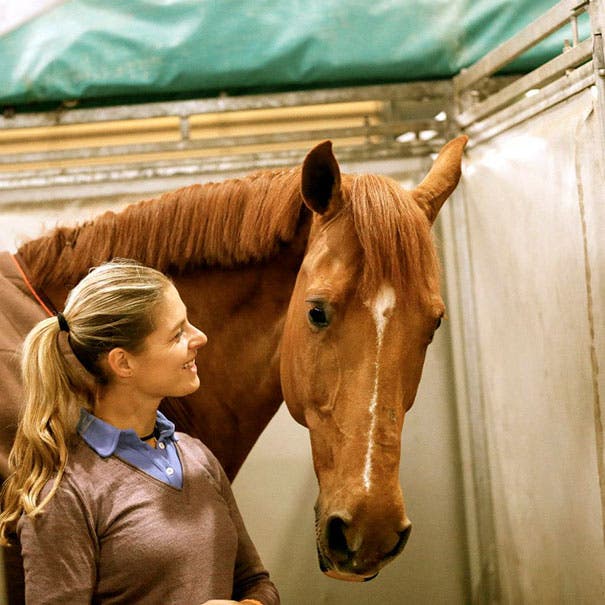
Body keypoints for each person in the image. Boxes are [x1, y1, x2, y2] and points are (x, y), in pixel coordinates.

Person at [0, 259, 279, 605]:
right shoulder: (65, 493)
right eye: (177, 333)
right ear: (123, 363)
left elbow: (256, 583)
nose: (200, 337)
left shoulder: (197, 456)